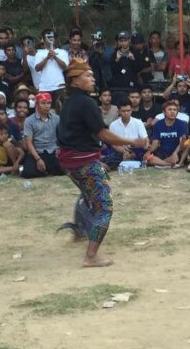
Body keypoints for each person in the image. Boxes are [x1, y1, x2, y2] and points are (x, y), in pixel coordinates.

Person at [57, 59, 147, 267]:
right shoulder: (85, 102)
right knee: (104, 206)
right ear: (75, 80)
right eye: (87, 75)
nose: (92, 78)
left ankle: (79, 232)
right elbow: (104, 134)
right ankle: (91, 256)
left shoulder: (68, 100)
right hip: (82, 160)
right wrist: (133, 141)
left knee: (88, 193)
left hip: (70, 160)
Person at [21, 92, 62, 178]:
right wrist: (38, 159)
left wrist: (60, 150)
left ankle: (47, 170)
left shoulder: (56, 118)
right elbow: (29, 143)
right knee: (28, 173)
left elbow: (61, 137)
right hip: (37, 152)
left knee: (63, 169)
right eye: (43, 103)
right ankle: (47, 170)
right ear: (36, 104)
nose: (47, 106)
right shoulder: (29, 120)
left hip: (53, 151)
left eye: (49, 103)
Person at [103, 99, 149, 168]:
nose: (126, 113)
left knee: (143, 152)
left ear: (131, 110)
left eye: (128, 110)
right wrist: (123, 151)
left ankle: (128, 158)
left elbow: (145, 140)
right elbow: (113, 144)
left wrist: (143, 145)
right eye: (123, 111)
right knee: (109, 153)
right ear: (118, 111)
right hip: (119, 150)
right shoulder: (113, 125)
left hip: (135, 150)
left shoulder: (138, 123)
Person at [144, 100, 189, 167]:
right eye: (170, 109)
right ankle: (167, 164)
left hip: (176, 152)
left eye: (174, 110)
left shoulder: (182, 124)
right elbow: (155, 143)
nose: (172, 112)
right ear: (164, 112)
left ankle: (160, 163)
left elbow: (181, 144)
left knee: (178, 154)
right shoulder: (158, 124)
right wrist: (148, 152)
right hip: (162, 153)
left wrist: (175, 153)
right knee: (146, 157)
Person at [34, 30, 69, 101]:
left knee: (61, 109)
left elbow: (65, 68)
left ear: (55, 39)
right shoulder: (39, 53)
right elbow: (37, 68)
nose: (50, 39)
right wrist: (47, 58)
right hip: (44, 88)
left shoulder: (62, 52)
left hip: (60, 87)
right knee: (44, 110)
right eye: (48, 37)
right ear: (44, 40)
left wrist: (55, 57)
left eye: (52, 37)